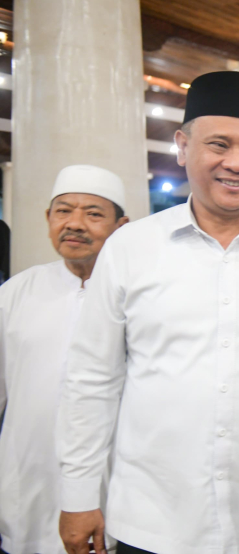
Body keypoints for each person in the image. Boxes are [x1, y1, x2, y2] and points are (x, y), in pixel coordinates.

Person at [56, 71, 239, 554]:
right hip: (153, 514)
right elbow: (92, 379)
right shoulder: (130, 249)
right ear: (181, 145)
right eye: (219, 144)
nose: (236, 163)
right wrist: (77, 493)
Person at [0, 165, 128, 553]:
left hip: (115, 485)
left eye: (93, 213)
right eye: (63, 211)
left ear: (121, 226)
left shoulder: (137, 296)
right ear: (48, 218)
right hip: (26, 479)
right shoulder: (17, 292)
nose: (75, 224)